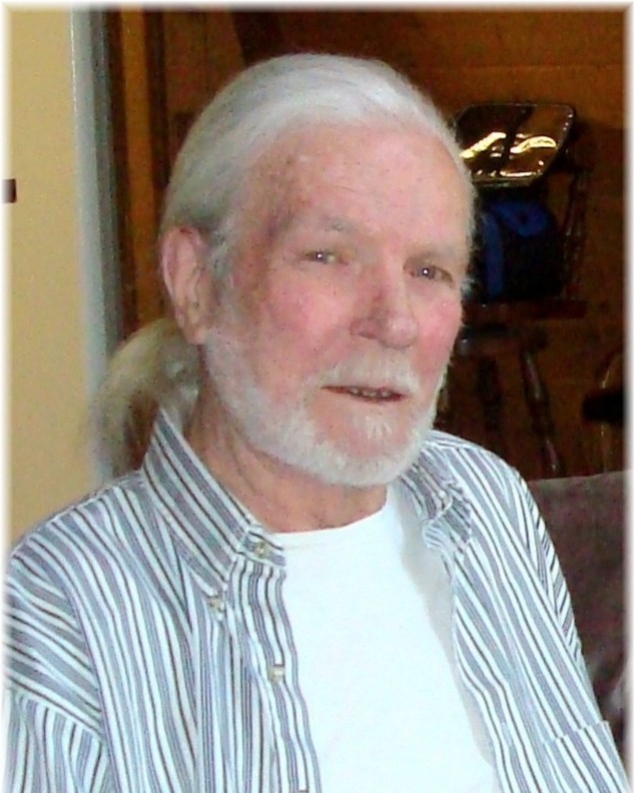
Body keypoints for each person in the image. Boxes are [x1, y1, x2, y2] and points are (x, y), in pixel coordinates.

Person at [6, 53, 627, 792]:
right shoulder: (56, 619)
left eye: (429, 270)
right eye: (329, 256)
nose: (395, 322)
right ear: (196, 283)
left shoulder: (485, 506)